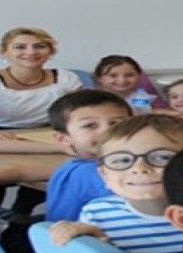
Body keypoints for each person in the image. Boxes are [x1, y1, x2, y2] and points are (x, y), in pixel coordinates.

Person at [48, 114, 183, 253]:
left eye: (162, 157)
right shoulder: (97, 215)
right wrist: (82, 243)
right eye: (122, 160)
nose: (139, 169)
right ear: (104, 175)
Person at [44, 89, 132, 222]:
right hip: (87, 235)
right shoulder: (90, 172)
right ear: (63, 138)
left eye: (116, 123)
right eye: (90, 125)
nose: (108, 130)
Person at [0, 27, 82, 139]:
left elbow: (81, 112)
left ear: (51, 51)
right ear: (4, 52)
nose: (31, 52)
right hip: (3, 135)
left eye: (39, 46)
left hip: (53, 133)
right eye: (20, 47)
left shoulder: (66, 77)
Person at [93, 54, 165, 108]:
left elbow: (145, 113)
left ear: (139, 76)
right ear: (99, 78)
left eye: (129, 75)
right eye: (113, 76)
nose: (122, 80)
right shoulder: (94, 100)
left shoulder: (140, 98)